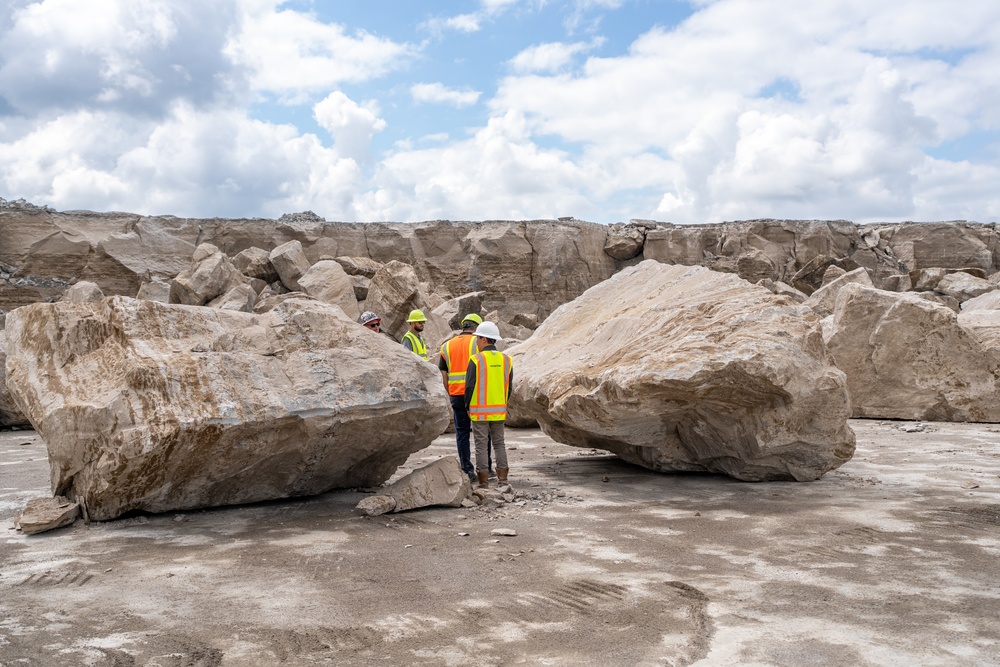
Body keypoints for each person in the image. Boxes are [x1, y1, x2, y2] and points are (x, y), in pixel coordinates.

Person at [464, 321, 513, 489]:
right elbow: (509, 387)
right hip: (499, 410)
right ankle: (503, 480)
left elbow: (469, 386)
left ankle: (484, 483)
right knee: (499, 444)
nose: (476, 342)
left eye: (478, 339)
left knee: (481, 446)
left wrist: (467, 406)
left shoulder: (476, 360)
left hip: (479, 412)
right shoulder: (507, 360)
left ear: (484, 339)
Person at [439, 313, 483, 482]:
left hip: (456, 394)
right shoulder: (478, 342)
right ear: (476, 327)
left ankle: (466, 469)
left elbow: (444, 373)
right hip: (476, 395)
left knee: (462, 433)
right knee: (481, 432)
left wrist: (449, 391)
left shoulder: (447, 346)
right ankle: (484, 468)